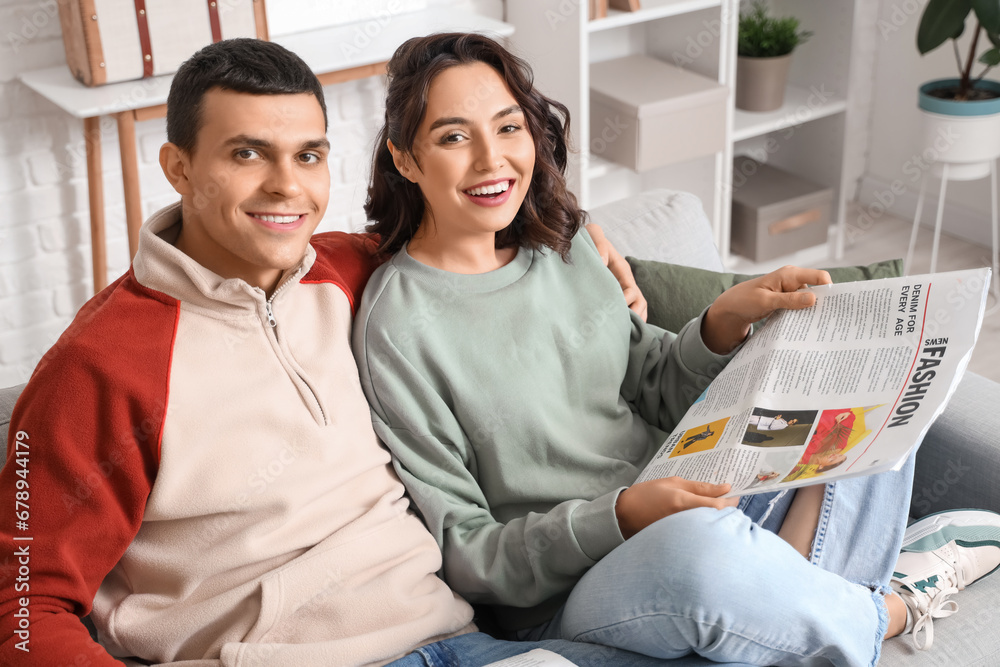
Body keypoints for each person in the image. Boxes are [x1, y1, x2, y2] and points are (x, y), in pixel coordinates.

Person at [0, 38, 680, 667]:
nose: (286, 187)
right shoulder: (97, 366)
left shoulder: (347, 271)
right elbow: (22, 606)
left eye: (308, 155)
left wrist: (587, 236)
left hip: (460, 640)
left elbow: (479, 231)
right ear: (179, 167)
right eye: (246, 153)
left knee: (720, 627)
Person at [353, 32, 1000, 665]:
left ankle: (782, 608)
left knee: (873, 400)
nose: (492, 160)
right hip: (584, 585)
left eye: (508, 126)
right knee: (698, 550)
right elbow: (471, 553)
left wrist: (722, 321)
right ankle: (884, 609)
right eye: (453, 137)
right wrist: (623, 515)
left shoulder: (565, 245)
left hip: (693, 503)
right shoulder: (398, 324)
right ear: (405, 159)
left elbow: (652, 381)